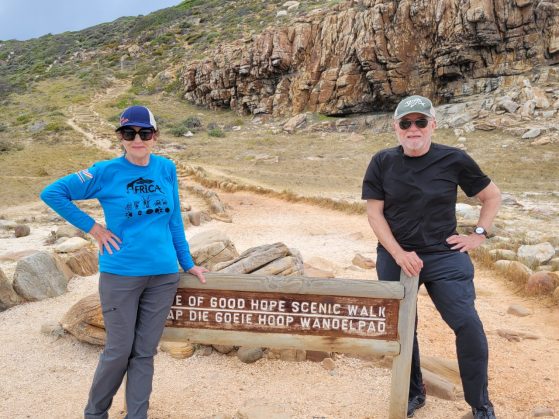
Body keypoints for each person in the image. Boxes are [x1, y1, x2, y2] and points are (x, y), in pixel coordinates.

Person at [41, 105, 207, 419]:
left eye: (145, 132)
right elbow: (53, 192)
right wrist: (94, 229)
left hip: (163, 276)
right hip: (121, 275)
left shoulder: (166, 169)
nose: (137, 139)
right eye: (129, 133)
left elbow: (174, 221)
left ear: (155, 136)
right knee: (118, 351)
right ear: (120, 137)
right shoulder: (106, 172)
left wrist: (187, 263)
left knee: (144, 352)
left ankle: (137, 415)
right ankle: (95, 413)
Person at [362, 95, 501, 418]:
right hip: (396, 255)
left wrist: (477, 235)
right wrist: (398, 253)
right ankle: (414, 392)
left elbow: (491, 196)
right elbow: (375, 214)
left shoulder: (454, 159)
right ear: (396, 128)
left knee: (467, 323)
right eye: (406, 123)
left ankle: (480, 404)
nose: (413, 129)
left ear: (433, 125)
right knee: (402, 328)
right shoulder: (382, 162)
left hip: (444, 255)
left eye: (420, 122)